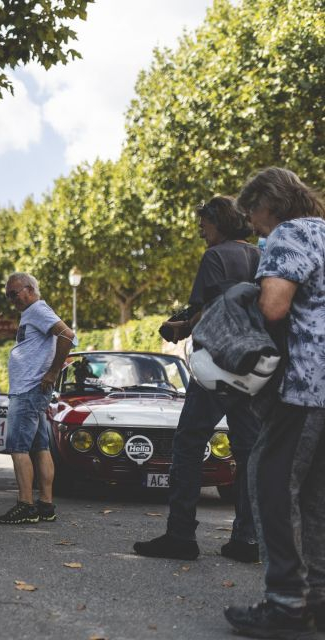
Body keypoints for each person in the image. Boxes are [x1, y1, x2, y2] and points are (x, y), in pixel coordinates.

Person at [224, 168, 325, 638]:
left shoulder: (290, 233)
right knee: (316, 496)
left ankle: (285, 604)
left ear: (271, 203)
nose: (252, 223)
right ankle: (317, 598)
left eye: (252, 212)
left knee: (270, 483)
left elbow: (274, 306)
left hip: (304, 385)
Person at [134, 196, 262, 564]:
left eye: (204, 224)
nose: (201, 231)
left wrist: (182, 327)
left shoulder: (216, 256)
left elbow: (212, 309)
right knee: (249, 451)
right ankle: (247, 540)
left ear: (219, 221)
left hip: (218, 362)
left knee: (188, 444)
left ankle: (181, 535)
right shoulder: (258, 255)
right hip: (253, 364)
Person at [0, 273, 75, 525]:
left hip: (28, 390)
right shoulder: (32, 313)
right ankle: (46, 505)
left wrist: (53, 372)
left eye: (14, 293)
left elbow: (67, 335)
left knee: (18, 448)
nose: (11, 300)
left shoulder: (38, 310)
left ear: (30, 289)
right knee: (41, 447)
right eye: (8, 296)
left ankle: (26, 505)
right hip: (32, 390)